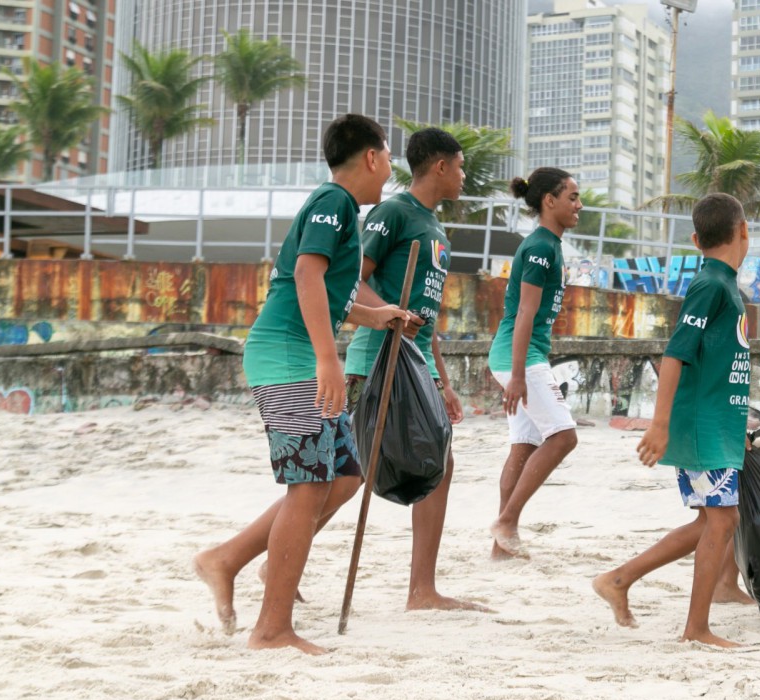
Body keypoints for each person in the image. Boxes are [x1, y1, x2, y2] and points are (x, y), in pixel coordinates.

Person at [194, 114, 417, 654]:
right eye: (387, 156)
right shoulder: (334, 202)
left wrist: (380, 313)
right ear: (370, 157)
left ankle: (226, 559)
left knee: (345, 474)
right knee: (310, 482)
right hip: (290, 358)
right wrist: (327, 360)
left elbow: (329, 294)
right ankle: (271, 630)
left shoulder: (340, 209)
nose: (389, 168)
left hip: (297, 353)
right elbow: (305, 276)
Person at [593, 193, 753, 648]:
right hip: (701, 426)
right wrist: (659, 424)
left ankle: (620, 580)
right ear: (744, 231)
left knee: (713, 522)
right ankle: (696, 629)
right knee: (721, 522)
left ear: (696, 239)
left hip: (718, 424)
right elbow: (676, 353)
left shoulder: (723, 285)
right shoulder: (711, 286)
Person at [340, 127, 488, 612]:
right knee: (347, 474)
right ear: (441, 166)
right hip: (376, 362)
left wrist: (443, 382)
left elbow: (428, 320)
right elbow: (349, 283)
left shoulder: (436, 228)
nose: (464, 176)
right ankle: (270, 553)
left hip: (417, 366)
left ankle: (422, 589)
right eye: (461, 166)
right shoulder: (395, 212)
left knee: (437, 461)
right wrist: (389, 313)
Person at [487, 168, 581, 558]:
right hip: (519, 357)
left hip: (516, 356)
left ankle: (501, 548)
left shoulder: (548, 245)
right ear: (549, 201)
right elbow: (525, 313)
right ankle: (507, 521)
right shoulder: (542, 247)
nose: (579, 205)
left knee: (524, 445)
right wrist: (520, 375)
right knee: (564, 436)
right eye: (572, 197)